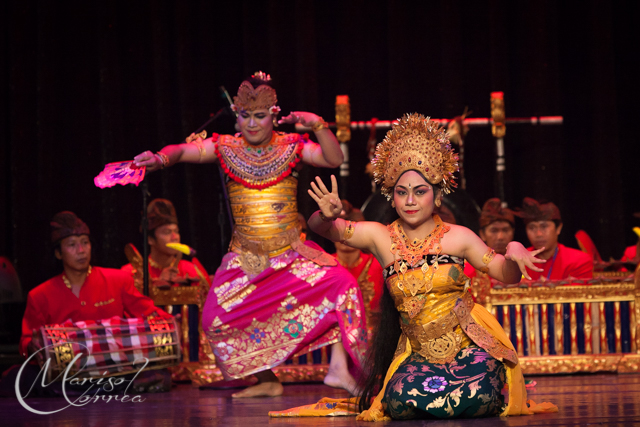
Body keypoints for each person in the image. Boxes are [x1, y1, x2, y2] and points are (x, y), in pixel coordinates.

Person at [298, 113, 555, 420]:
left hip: (466, 344)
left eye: (420, 192)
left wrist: (513, 251)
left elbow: (506, 275)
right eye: (402, 192)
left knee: (477, 395)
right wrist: (326, 215)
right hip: (417, 351)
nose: (410, 200)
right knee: (399, 403)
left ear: (436, 195)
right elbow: (321, 228)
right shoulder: (381, 237)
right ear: (391, 198)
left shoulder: (458, 237)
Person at [131, 72, 367, 398]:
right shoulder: (224, 147)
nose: (252, 124)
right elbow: (182, 151)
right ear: (237, 117)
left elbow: (333, 158)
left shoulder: (292, 146)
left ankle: (342, 366)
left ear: (273, 116)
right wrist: (159, 158)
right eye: (245, 116)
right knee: (214, 319)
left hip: (291, 253)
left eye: (260, 116)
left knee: (345, 285)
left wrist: (316, 125)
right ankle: (266, 379)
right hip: (247, 258)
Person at [6, 211, 171, 396]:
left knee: (154, 371)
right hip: (68, 371)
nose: (81, 250)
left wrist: (169, 323)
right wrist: (32, 346)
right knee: (25, 377)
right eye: (72, 245)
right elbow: (27, 341)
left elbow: (148, 312)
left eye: (85, 242)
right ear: (59, 254)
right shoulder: (40, 295)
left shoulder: (117, 280)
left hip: (114, 366)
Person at [121, 198, 209, 362]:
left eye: (176, 231)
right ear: (150, 240)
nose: (174, 237)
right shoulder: (132, 272)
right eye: (167, 232)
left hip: (191, 354)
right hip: (151, 351)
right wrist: (154, 285)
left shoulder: (189, 268)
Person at [332, 200, 383, 331]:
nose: (345, 237)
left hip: (374, 342)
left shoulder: (379, 264)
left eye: (351, 231)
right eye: (339, 230)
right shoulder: (324, 266)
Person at [517, 198, 593, 281]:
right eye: (532, 228)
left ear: (558, 228)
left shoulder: (579, 260)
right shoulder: (518, 261)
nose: (538, 234)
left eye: (544, 226)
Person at [463, 198, 515, 279]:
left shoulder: (523, 264)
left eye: (505, 230)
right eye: (494, 231)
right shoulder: (468, 269)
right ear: (482, 234)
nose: (500, 237)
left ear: (513, 233)